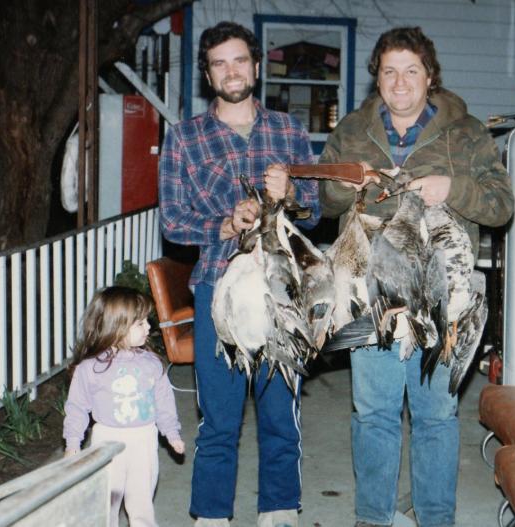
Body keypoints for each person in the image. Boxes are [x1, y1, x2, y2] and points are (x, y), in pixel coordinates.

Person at [317, 27, 515, 527]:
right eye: (389, 71)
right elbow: (324, 202)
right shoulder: (352, 132)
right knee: (375, 413)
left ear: (430, 77)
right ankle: (372, 518)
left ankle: (435, 519)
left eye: (411, 71)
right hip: (372, 296)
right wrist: (350, 182)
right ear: (376, 79)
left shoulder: (466, 131)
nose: (400, 82)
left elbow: (501, 205)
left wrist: (454, 186)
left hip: (441, 298)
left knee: (435, 417)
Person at [158, 21, 319, 527]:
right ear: (209, 75)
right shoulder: (184, 138)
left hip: (279, 290)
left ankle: (279, 511)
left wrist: (290, 195)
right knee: (220, 419)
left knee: (278, 413)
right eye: (219, 63)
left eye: (240, 60)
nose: (232, 70)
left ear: (256, 66)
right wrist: (226, 222)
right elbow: (173, 221)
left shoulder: (288, 132)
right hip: (217, 288)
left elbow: (313, 210)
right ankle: (211, 516)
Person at [62, 286, 184, 527]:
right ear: (116, 327)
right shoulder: (91, 368)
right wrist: (73, 442)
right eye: (140, 323)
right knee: (106, 501)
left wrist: (171, 431)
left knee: (141, 501)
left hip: (144, 439)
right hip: (107, 440)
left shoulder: (151, 363)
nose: (149, 327)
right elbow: (77, 407)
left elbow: (163, 400)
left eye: (147, 321)